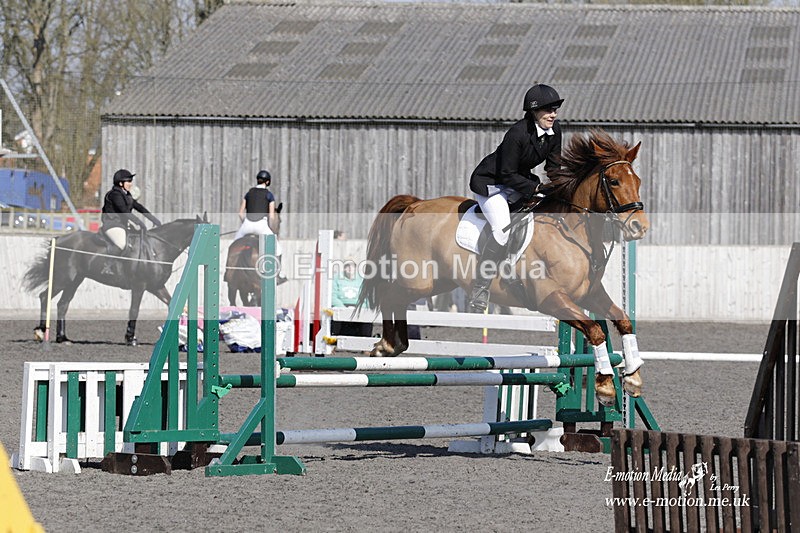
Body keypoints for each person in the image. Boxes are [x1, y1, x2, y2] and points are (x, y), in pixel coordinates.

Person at [467, 83, 564, 312]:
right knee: (502, 230)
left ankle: (511, 269)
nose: (553, 114)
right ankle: (480, 287)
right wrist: (535, 186)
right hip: (492, 183)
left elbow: (554, 168)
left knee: (533, 220)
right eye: (548, 110)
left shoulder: (554, 131)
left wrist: (563, 186)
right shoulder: (518, 133)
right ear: (534, 111)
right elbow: (506, 173)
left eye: (555, 109)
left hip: (517, 181)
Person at [101, 169, 161, 252]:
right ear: (121, 183)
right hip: (112, 225)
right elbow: (124, 211)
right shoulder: (114, 195)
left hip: (123, 226)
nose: (131, 184)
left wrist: (154, 219)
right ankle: (107, 264)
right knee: (122, 244)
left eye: (131, 181)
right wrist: (139, 222)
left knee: (138, 241)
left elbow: (140, 208)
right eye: (128, 181)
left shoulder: (127, 195)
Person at [330, 259, 372, 337]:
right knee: (335, 315)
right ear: (344, 268)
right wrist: (344, 309)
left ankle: (365, 345)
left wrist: (359, 308)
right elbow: (332, 296)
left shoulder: (362, 280)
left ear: (355, 268)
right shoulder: (336, 278)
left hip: (358, 307)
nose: (349, 268)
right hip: (342, 306)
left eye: (352, 266)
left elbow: (367, 297)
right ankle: (334, 343)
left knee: (367, 317)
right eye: (347, 266)